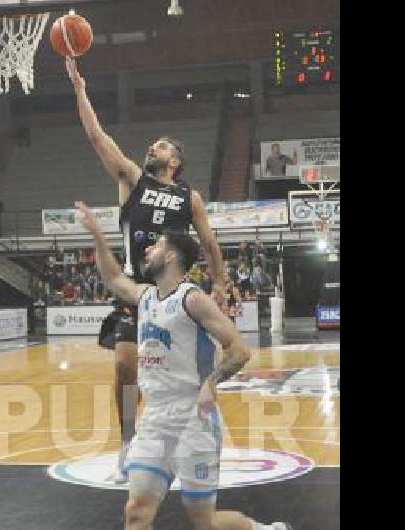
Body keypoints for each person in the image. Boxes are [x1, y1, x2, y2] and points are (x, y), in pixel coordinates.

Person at [76, 202, 292, 530]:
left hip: (194, 417)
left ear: (173, 256)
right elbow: (114, 278)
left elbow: (239, 349)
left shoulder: (192, 299)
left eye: (157, 245)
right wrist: (96, 235)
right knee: (136, 513)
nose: (148, 249)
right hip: (156, 417)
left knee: (204, 523)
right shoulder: (147, 296)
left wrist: (212, 381)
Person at [66, 57, 226, 483]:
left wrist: (222, 280)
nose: (153, 146)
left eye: (162, 145)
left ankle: (186, 438)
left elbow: (209, 243)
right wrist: (80, 88)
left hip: (175, 292)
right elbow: (97, 137)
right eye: (153, 144)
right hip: (135, 288)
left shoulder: (189, 197)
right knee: (125, 367)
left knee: (176, 374)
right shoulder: (133, 180)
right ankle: (126, 441)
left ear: (175, 160)